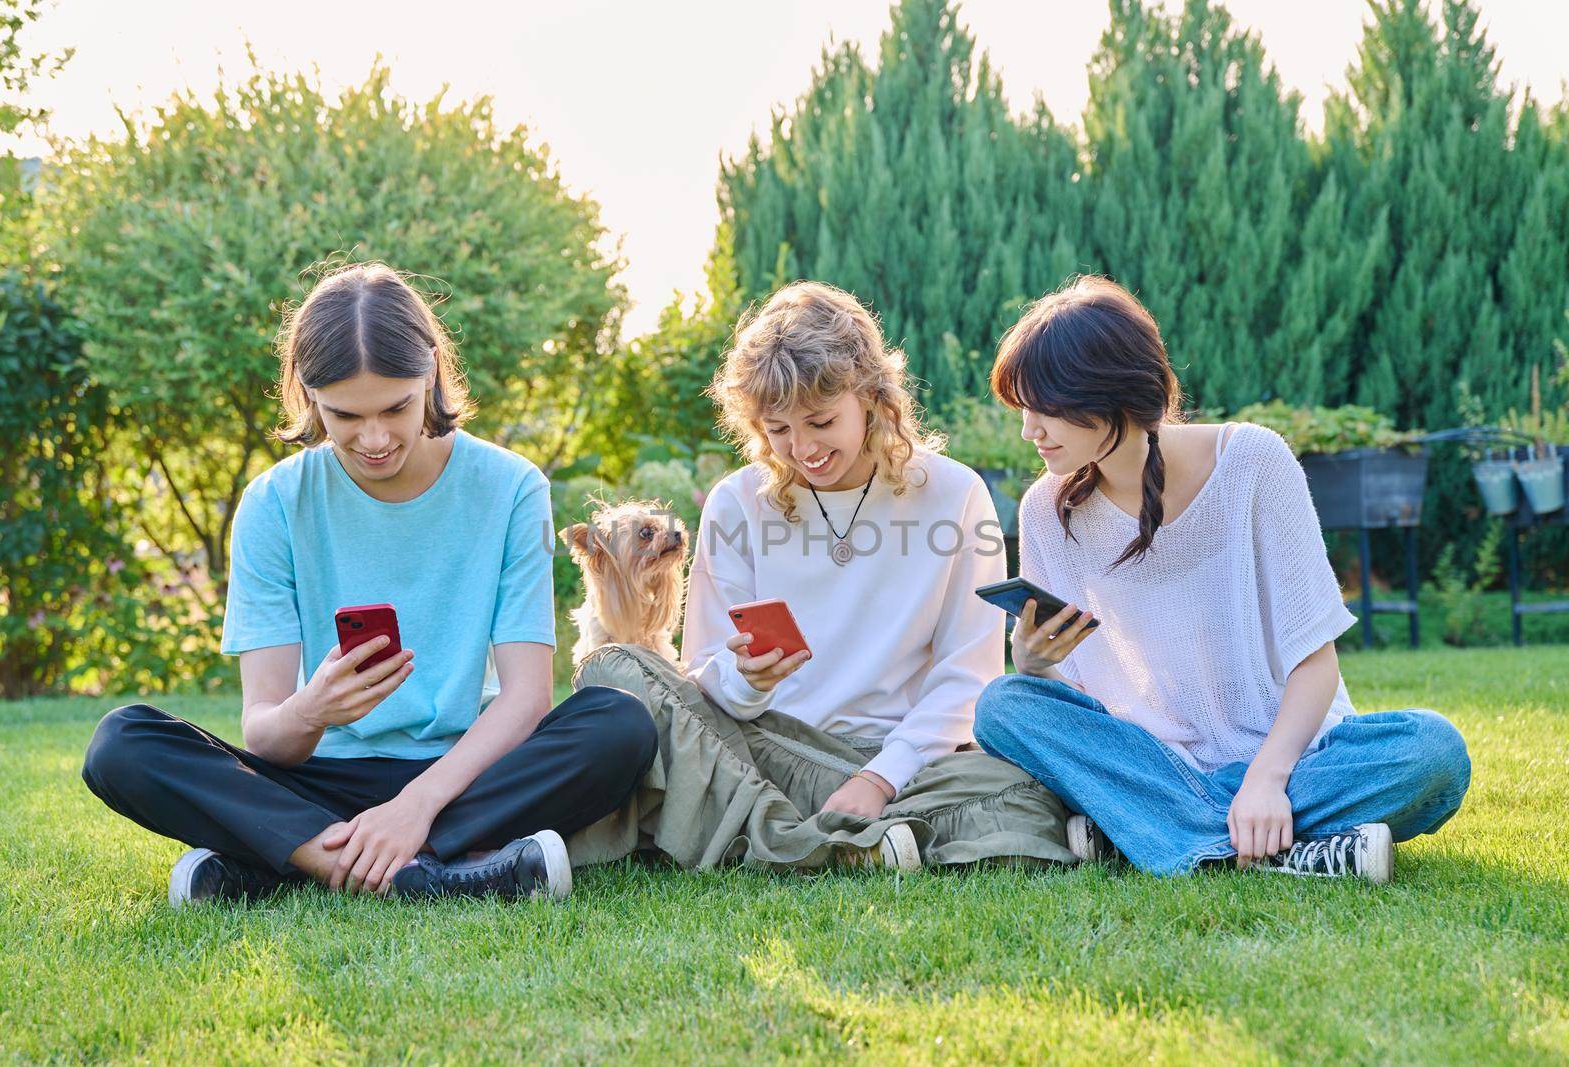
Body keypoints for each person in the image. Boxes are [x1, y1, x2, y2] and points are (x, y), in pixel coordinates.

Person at [82, 262, 656, 905]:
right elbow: (264, 734)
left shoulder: (511, 487)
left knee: (620, 725)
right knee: (122, 743)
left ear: (432, 372)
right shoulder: (274, 503)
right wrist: (314, 709)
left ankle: (289, 861)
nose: (375, 438)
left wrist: (415, 805)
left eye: (396, 407)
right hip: (318, 780)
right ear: (308, 395)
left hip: (462, 777)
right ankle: (428, 873)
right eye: (345, 416)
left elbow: (526, 701)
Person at [970, 275, 1471, 883]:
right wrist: (1033, 660)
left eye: (1045, 409)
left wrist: (1266, 780)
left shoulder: (1253, 463)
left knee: (1432, 753)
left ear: (1113, 395)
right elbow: (1083, 708)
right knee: (1004, 705)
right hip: (1152, 763)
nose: (1029, 431)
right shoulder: (1048, 512)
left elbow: (1316, 663)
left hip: (1291, 755)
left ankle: (1157, 832)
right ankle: (1286, 851)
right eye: (1022, 410)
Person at [567, 281, 1073, 871]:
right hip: (766, 749)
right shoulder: (736, 503)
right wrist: (748, 680)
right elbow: (706, 674)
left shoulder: (955, 494)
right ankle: (856, 841)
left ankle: (784, 836)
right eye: (778, 430)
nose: (802, 448)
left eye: (821, 421)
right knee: (615, 669)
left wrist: (879, 780)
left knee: (1017, 788)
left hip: (908, 758)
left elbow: (967, 676)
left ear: (871, 397)